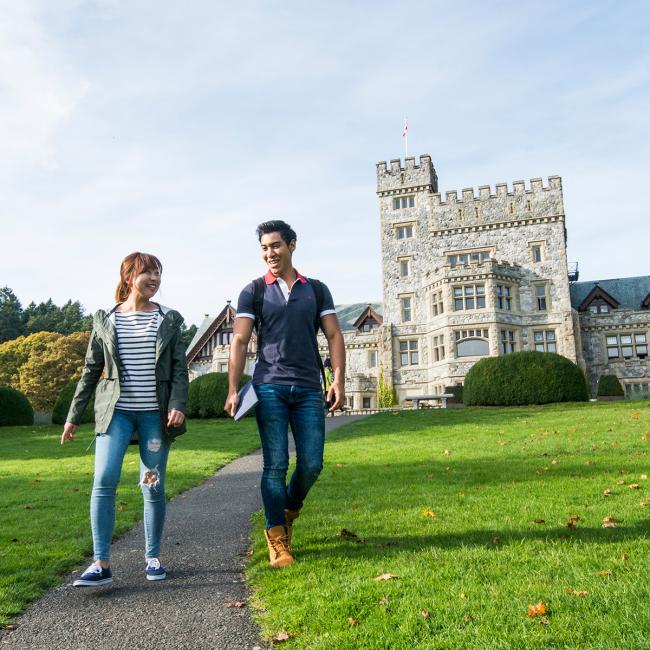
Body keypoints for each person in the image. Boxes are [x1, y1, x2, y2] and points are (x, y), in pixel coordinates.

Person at [60, 252, 189, 586]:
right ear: (130, 276)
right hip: (115, 414)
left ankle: (153, 556)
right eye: (149, 272)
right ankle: (101, 562)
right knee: (104, 478)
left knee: (152, 482)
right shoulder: (106, 319)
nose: (156, 279)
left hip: (153, 418)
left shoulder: (168, 319)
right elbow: (90, 370)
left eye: (159, 273)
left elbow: (178, 370)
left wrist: (177, 404)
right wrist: (73, 416)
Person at [225, 220, 345, 568]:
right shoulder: (254, 291)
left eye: (275, 246)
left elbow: (335, 336)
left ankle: (288, 508)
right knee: (275, 464)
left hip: (309, 387)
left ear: (292, 245)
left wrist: (337, 380)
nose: (269, 254)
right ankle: (276, 538)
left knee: (311, 464)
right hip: (269, 386)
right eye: (264, 248)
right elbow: (240, 340)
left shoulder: (316, 290)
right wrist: (233, 388)